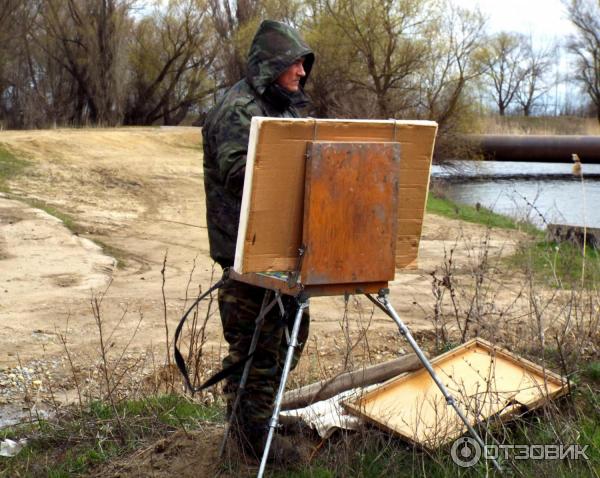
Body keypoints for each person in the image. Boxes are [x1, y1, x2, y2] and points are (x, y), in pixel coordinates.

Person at [202, 20, 314, 464]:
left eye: (304, 65)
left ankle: (258, 416)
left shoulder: (281, 108)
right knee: (259, 345)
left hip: (280, 248)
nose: (302, 73)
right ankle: (251, 444)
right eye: (294, 64)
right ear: (271, 67)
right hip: (245, 252)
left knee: (289, 334)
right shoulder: (239, 110)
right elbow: (239, 176)